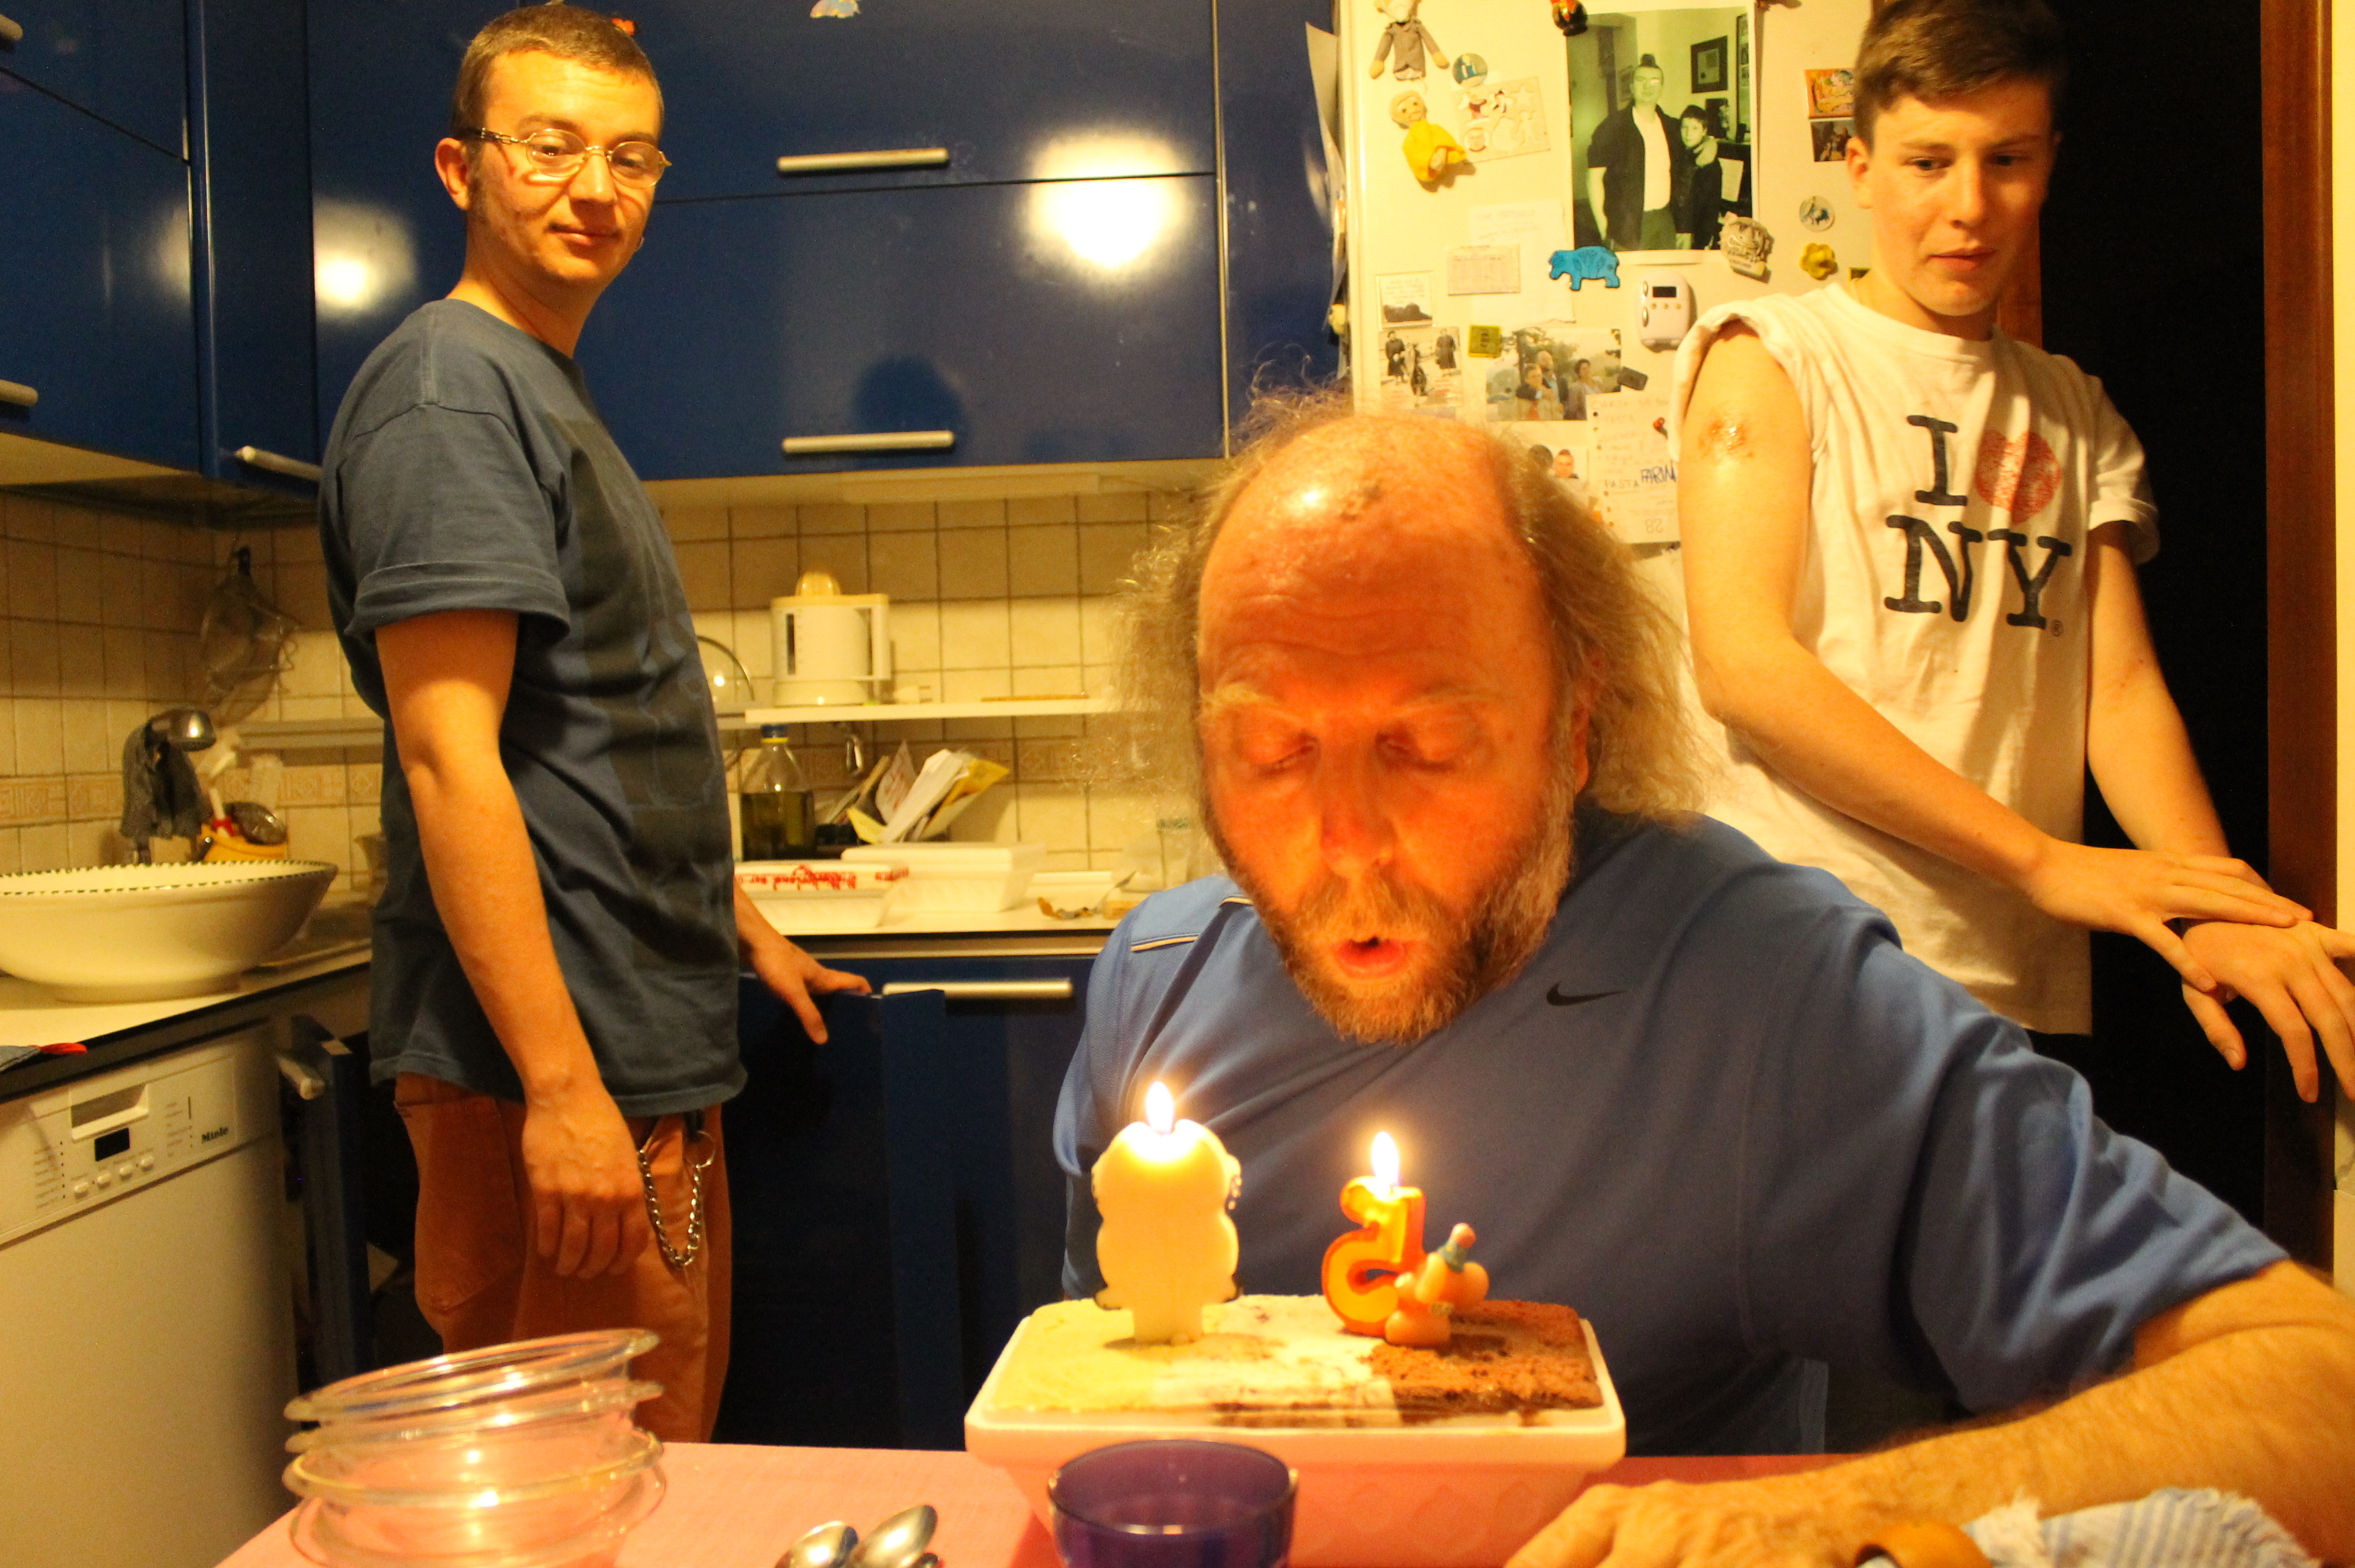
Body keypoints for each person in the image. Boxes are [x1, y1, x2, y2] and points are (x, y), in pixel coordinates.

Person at [1052, 400, 2355, 1564]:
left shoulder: (1766, 996)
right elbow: (1085, 1412)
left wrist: (1824, 1514)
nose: (1346, 841)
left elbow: (2316, 1394)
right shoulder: (1154, 985)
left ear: (1573, 729)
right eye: (1270, 750)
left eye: (1431, 743)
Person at [317, 5, 869, 1442]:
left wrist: (732, 919)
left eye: (630, 157)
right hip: (553, 1068)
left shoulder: (537, 387)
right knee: (582, 1496)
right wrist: (563, 1091)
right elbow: (450, 758)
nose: (595, 189)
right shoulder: (450, 393)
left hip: (625, 1037)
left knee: (650, 1462)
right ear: (462, 167)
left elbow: (587, 732)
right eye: (550, 147)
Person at [1674, 0, 2355, 1100]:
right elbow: (1744, 667)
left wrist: (2209, 905)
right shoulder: (1774, 357)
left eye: (2007, 160)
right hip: (1797, 960)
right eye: (1927, 162)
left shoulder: (2075, 411)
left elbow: (2118, 693)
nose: (1968, 205)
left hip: (2009, 985)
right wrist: (2044, 863)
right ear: (1861, 168)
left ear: (2049, 166)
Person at [1584, 56, 1684, 252]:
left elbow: (1692, 158)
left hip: (1665, 221)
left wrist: (1709, 144)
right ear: (1631, 87)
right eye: (1641, 80)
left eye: (1654, 81)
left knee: (1665, 271)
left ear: (1661, 88)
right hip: (1626, 226)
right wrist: (1603, 227)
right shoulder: (1612, 127)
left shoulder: (1672, 127)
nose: (1648, 87)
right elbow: (1593, 178)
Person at [1673, 104, 1724, 249]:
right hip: (1673, 228)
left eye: (1695, 128)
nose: (1688, 133)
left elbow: (1711, 208)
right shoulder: (1677, 154)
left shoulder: (1710, 164)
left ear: (1704, 131)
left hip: (1694, 233)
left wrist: (1701, 241)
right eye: (1685, 127)